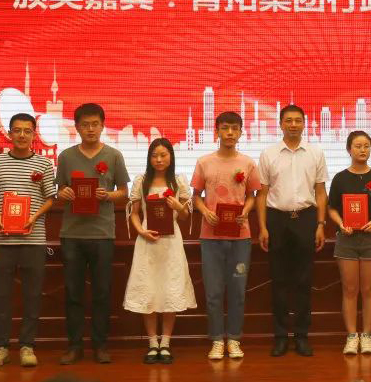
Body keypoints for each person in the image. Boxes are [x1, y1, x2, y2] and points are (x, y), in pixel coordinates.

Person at [54, 103, 130, 365]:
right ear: (76, 127)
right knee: (73, 293)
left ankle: (100, 345)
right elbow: (58, 191)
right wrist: (63, 193)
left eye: (95, 124)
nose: (90, 129)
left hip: (102, 234)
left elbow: (124, 193)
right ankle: (74, 346)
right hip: (72, 234)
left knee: (101, 292)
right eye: (85, 125)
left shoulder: (114, 156)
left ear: (102, 126)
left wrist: (107, 195)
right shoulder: (66, 157)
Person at [0, 113, 56, 368]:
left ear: (34, 134)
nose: (22, 135)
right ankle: (0, 347)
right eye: (17, 130)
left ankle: (27, 346)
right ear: (10, 133)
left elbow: (51, 199)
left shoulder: (44, 164)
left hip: (34, 240)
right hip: (2, 240)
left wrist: (34, 216)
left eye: (27, 130)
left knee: (32, 295)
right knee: (1, 295)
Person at [256, 104, 328, 357]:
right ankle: (280, 337)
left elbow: (321, 192)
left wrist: (320, 224)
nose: (293, 125)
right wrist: (262, 227)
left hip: (306, 218)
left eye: (298, 120)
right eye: (289, 120)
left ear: (304, 123)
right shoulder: (268, 154)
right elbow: (262, 194)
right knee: (279, 281)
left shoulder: (315, 153)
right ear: (281, 124)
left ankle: (301, 336)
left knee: (304, 281)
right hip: (277, 219)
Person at [191, 111, 260, 361]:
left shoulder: (248, 163)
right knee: (213, 292)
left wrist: (246, 211)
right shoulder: (204, 162)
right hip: (210, 237)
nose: (229, 133)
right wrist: (205, 212)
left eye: (234, 128)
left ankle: (234, 339)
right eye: (225, 128)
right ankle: (217, 340)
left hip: (240, 236)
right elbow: (195, 197)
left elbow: (252, 196)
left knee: (237, 290)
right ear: (217, 131)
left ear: (241, 132)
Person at [123, 137, 196, 364]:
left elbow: (184, 216)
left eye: (163, 155)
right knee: (149, 290)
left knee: (169, 290)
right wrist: (141, 231)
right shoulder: (141, 180)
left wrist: (178, 206)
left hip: (171, 242)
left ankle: (165, 343)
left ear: (171, 157)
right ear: (149, 158)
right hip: (148, 241)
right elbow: (134, 213)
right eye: (154, 155)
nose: (159, 159)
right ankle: (152, 343)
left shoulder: (178, 181)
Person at [327, 131, 371, 355]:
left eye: (366, 146)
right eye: (358, 146)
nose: (363, 150)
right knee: (349, 289)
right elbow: (332, 208)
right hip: (346, 239)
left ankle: (367, 336)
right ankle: (351, 336)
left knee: (369, 289)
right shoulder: (340, 178)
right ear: (349, 149)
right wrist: (341, 223)